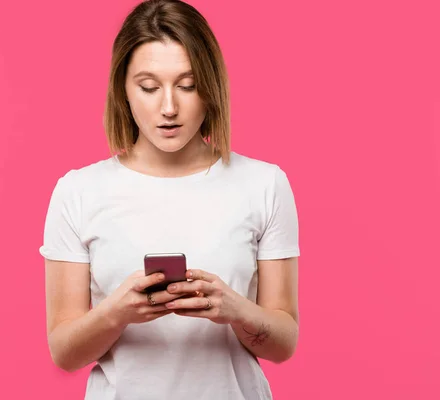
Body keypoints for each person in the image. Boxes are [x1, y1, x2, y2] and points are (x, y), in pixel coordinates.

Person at [39, 0, 300, 399]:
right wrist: (117, 313)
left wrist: (235, 309)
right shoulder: (78, 192)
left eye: (187, 85)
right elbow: (65, 353)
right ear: (123, 89)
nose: (168, 107)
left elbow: (283, 344)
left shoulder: (264, 184)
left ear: (210, 87)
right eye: (148, 86)